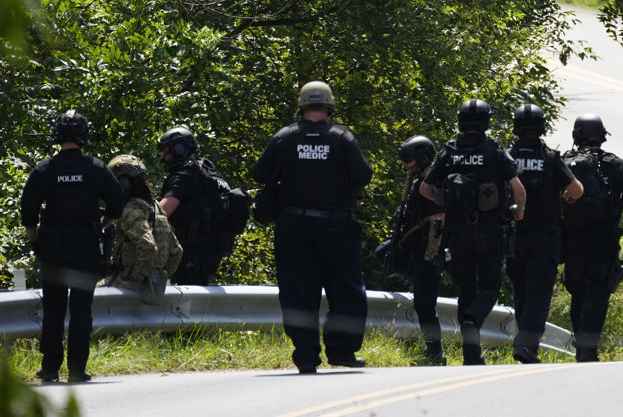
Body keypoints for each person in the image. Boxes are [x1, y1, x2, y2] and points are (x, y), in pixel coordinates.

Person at [251, 81, 373, 372]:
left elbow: (259, 174)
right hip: (337, 227)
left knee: (297, 291)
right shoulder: (343, 138)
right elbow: (364, 175)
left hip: (293, 226)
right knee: (345, 291)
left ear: (302, 106)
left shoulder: (285, 137)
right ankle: (342, 351)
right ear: (330, 107)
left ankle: (306, 355)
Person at [419, 99, 525, 365]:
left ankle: (471, 357)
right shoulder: (494, 151)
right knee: (489, 287)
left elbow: (424, 188)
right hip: (490, 232)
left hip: (457, 234)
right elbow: (519, 189)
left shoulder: (450, 152)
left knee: (465, 290)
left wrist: (447, 204)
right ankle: (473, 319)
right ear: (487, 122)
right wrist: (518, 210)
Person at [20, 110, 123, 383]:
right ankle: (78, 369)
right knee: (81, 309)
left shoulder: (44, 169)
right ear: (83, 134)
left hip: (53, 249)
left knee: (53, 308)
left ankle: (50, 368)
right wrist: (100, 227)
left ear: (58, 134)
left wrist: (35, 240)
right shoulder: (96, 168)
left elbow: (28, 210)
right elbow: (117, 206)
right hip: (86, 248)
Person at [560, 114, 623, 362]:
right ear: (602, 136)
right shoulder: (615, 164)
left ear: (577, 136)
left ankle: (582, 349)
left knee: (578, 292)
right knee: (598, 291)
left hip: (572, 240)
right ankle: (589, 350)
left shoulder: (565, 163)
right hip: (603, 240)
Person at [506, 104, 583, 364]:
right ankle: (527, 345)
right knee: (539, 291)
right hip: (545, 235)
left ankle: (526, 345)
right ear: (541, 127)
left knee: (521, 291)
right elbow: (577, 190)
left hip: (515, 234)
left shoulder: (506, 157)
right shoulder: (550, 158)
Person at [395, 135, 447, 365]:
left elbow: (438, 221)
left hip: (429, 254)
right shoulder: (420, 181)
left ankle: (435, 351)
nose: (406, 165)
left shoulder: (433, 184)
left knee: (425, 303)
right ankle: (432, 349)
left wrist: (430, 255)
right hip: (419, 251)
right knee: (422, 302)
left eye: (409, 160)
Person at [102, 155, 182, 303]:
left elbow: (148, 245)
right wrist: (160, 277)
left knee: (90, 294)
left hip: (128, 282)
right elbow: (176, 251)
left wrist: (136, 280)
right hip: (155, 287)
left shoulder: (132, 210)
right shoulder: (155, 207)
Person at [156, 126, 222, 285]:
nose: (163, 157)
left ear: (179, 149)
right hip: (207, 248)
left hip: (190, 251)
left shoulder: (185, 173)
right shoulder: (203, 168)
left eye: (165, 151)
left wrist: (137, 216)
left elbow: (164, 210)